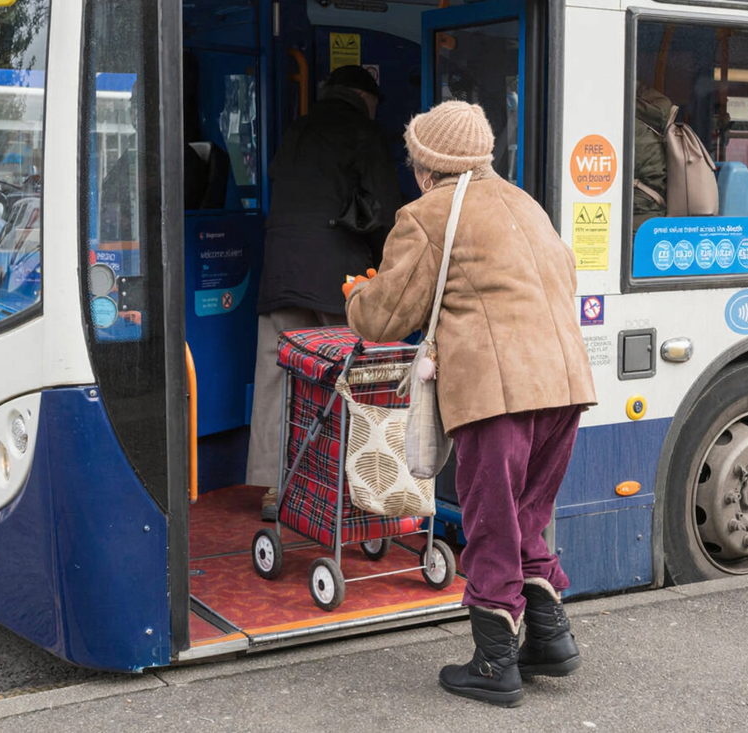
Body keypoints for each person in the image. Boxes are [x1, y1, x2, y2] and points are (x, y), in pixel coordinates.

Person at [342, 101, 597, 707]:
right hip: (564, 387)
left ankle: (493, 665)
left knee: (490, 521)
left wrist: (357, 293)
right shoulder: (525, 204)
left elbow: (384, 317)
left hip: (499, 394)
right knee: (526, 514)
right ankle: (550, 640)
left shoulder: (427, 215)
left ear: (427, 164)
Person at [248, 65, 401, 521]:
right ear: (363, 96)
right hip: (338, 278)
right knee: (350, 380)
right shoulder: (363, 131)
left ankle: (276, 486)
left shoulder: (296, 130)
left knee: (279, 377)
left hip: (280, 274)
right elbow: (387, 209)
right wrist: (392, 270)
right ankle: (352, 484)